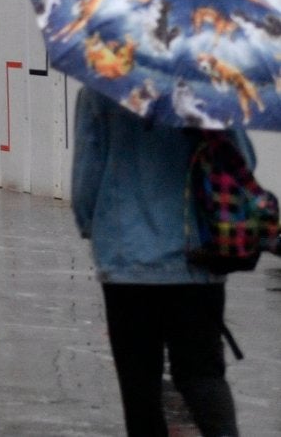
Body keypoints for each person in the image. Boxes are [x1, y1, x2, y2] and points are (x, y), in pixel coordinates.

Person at [72, 87, 253, 437]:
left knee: (139, 387)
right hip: (197, 259)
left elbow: (86, 177)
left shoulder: (100, 92)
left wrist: (92, 226)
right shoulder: (207, 90)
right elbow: (242, 161)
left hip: (127, 265)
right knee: (202, 375)